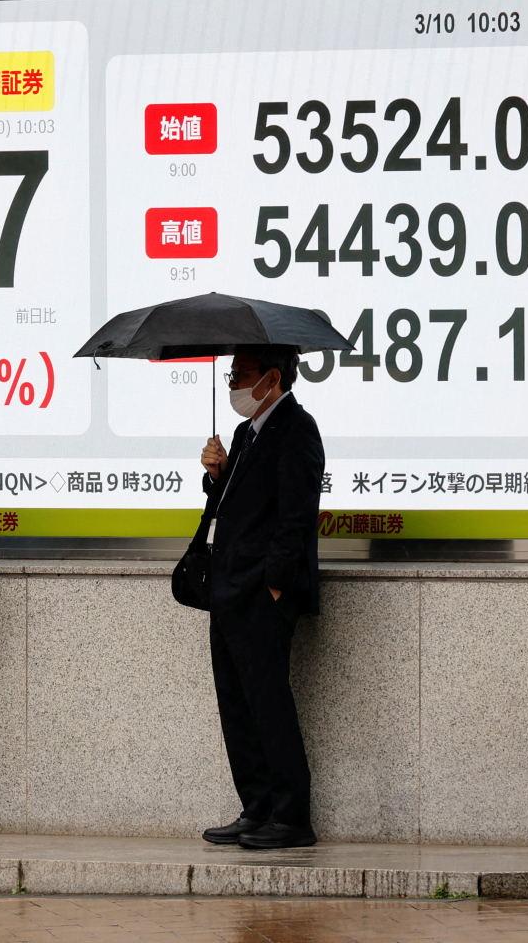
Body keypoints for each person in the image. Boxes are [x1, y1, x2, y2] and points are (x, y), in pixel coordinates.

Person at [194, 344, 324, 850]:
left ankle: (291, 818)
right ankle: (258, 807)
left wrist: (274, 586)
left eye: (240, 374)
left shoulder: (297, 428)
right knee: (236, 704)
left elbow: (297, 516)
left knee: (269, 703)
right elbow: (237, 506)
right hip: (229, 588)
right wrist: (218, 475)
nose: (232, 384)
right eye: (231, 375)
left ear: (272, 377)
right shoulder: (245, 432)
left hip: (262, 593)